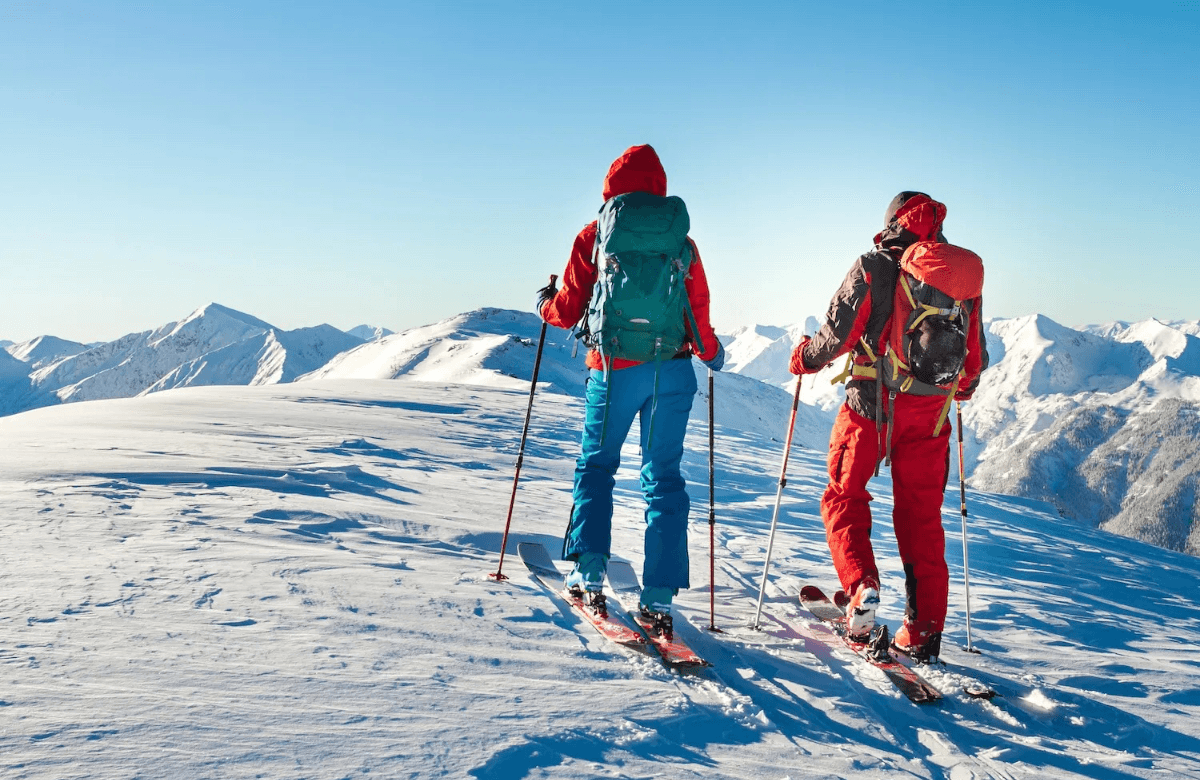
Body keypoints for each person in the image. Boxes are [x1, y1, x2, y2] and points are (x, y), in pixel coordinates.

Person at [788, 191, 987, 661]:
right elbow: (973, 359)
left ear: (892, 223)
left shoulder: (875, 267)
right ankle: (923, 630)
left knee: (844, 495)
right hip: (931, 416)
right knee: (921, 517)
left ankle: (862, 589)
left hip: (869, 408)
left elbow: (836, 334)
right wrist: (956, 391)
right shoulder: (958, 279)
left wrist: (803, 358)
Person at [535, 144, 725, 635]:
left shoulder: (596, 235)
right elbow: (696, 312)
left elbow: (569, 309)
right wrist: (711, 351)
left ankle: (588, 573)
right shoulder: (682, 243)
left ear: (612, 188)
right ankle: (658, 597)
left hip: (615, 367)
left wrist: (544, 304)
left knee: (597, 467)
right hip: (673, 372)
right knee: (663, 478)